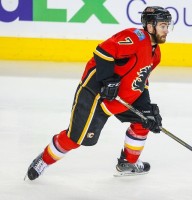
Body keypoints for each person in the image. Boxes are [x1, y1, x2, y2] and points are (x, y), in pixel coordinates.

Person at [25, 6, 173, 180]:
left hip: (119, 98)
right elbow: (103, 51)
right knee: (75, 138)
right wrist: (107, 80)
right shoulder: (135, 37)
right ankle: (44, 159)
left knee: (144, 121)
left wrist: (146, 107)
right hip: (96, 93)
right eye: (163, 26)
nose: (166, 31)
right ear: (150, 26)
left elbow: (141, 81)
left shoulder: (156, 54)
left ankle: (128, 162)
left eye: (167, 26)